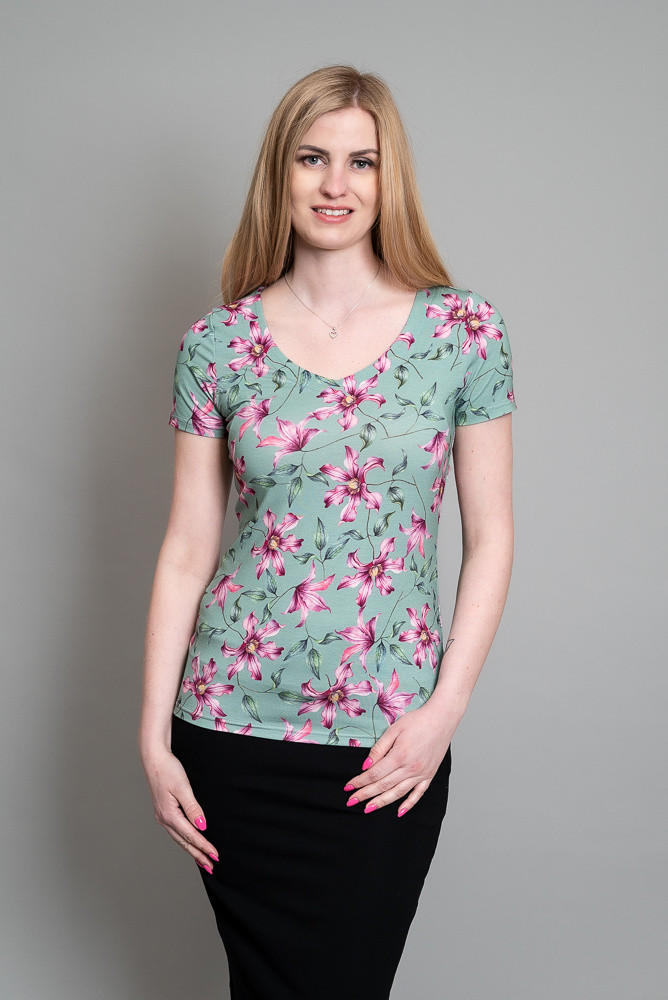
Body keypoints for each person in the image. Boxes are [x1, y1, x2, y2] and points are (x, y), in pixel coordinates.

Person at [138, 63, 517, 1000]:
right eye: (312, 158)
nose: (335, 184)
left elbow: (492, 539)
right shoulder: (216, 345)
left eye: (361, 162)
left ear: (391, 180)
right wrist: (153, 737)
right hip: (229, 732)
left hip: (387, 743)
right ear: (281, 172)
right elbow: (186, 550)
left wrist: (444, 713)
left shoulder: (464, 332)